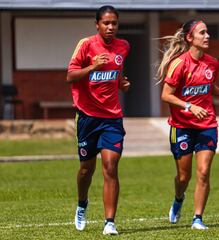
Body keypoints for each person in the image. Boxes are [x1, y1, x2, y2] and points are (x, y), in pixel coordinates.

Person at [157, 19, 219, 230]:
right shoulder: (178, 64)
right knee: (184, 176)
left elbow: (208, 86)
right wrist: (189, 106)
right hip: (181, 126)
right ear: (189, 38)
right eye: (202, 33)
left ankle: (197, 219)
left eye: (208, 32)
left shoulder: (213, 63)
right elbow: (166, 95)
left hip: (207, 125)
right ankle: (178, 198)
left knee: (203, 172)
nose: (207, 36)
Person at [66, 5, 130, 235]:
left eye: (114, 23)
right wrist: (94, 65)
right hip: (87, 117)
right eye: (106, 23)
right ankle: (82, 204)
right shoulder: (86, 45)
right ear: (97, 24)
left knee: (110, 167)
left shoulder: (124, 47)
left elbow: (116, 72)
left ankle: (109, 222)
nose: (111, 27)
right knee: (86, 169)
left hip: (112, 118)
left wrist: (122, 82)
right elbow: (70, 75)